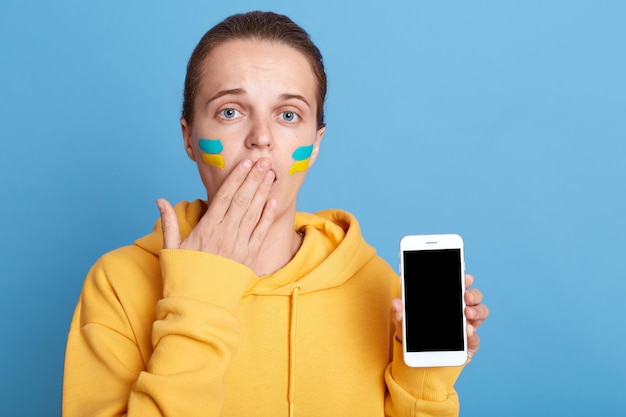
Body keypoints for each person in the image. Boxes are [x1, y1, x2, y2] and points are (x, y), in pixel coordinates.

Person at [62, 10, 489, 417]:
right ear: (189, 136)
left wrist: (423, 380)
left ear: (315, 143)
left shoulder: (380, 287)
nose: (261, 138)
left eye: (288, 115)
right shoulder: (118, 283)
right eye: (230, 111)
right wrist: (198, 298)